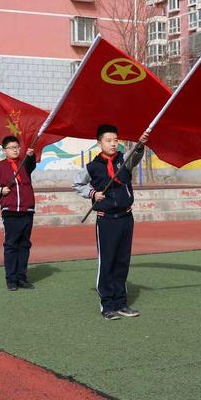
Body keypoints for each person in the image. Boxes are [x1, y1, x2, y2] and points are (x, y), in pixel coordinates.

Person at [73, 124, 149, 320]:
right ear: (99, 143)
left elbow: (136, 156)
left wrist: (140, 145)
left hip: (126, 218)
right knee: (107, 262)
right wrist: (92, 193)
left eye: (116, 140)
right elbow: (77, 184)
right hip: (106, 221)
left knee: (122, 261)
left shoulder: (124, 160)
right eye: (109, 140)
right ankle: (107, 305)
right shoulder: (92, 166)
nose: (113, 144)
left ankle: (121, 302)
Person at [0, 135, 36, 291]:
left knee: (25, 245)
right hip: (10, 211)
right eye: (11, 148)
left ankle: (22, 277)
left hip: (27, 210)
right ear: (4, 150)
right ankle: (11, 279)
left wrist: (31, 155)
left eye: (17, 147)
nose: (15, 150)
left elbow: (31, 164)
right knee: (11, 245)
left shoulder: (24, 163)